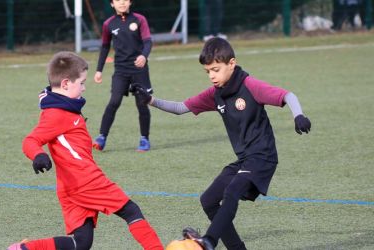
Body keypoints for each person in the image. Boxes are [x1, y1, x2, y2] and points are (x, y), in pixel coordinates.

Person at [130, 38, 311, 250]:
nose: (212, 76)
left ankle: (209, 241)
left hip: (263, 158)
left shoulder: (250, 86)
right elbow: (181, 108)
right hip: (244, 160)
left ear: (231, 63)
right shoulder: (216, 94)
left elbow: (287, 95)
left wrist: (298, 115)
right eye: (208, 71)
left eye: (215, 69)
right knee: (208, 200)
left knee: (231, 191)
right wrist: (150, 100)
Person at [7, 51, 163, 250]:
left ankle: (25, 249)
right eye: (81, 82)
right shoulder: (56, 113)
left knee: (81, 243)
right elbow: (30, 140)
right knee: (131, 211)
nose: (84, 87)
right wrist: (38, 155)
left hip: (69, 186)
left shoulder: (64, 105)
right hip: (86, 181)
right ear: (65, 84)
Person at [93, 0, 153, 152]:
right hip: (120, 71)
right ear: (112, 4)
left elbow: (148, 42)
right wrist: (99, 70)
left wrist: (144, 56)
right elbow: (105, 46)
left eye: (125, 0)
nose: (122, 3)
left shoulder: (140, 19)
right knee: (114, 102)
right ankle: (101, 137)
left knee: (142, 104)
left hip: (139, 71)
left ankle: (144, 139)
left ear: (130, 2)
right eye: (118, 0)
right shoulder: (109, 24)